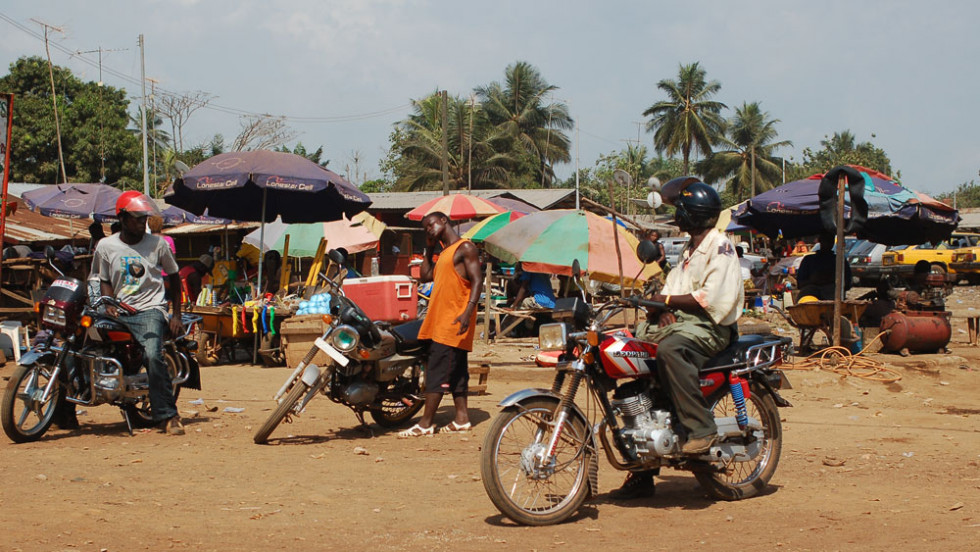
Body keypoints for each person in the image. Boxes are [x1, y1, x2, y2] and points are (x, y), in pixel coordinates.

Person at [610, 177, 744, 500]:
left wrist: (666, 304)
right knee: (629, 352)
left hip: (712, 328)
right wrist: (657, 309)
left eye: (680, 210)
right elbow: (671, 291)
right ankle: (642, 471)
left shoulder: (719, 246)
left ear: (693, 214)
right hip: (686, 324)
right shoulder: (688, 250)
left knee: (669, 350)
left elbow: (708, 299)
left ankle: (701, 428)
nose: (676, 215)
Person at [89, 191, 185, 435]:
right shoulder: (106, 246)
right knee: (79, 343)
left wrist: (176, 315)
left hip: (149, 309)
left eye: (143, 218)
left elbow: (175, 280)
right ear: (121, 218)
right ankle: (64, 412)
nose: (141, 223)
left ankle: (168, 415)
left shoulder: (158, 245)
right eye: (135, 218)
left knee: (153, 355)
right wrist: (109, 303)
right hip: (117, 311)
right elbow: (104, 279)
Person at [398, 211, 483, 437]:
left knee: (437, 371)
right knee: (456, 371)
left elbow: (478, 281)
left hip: (454, 321)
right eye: (425, 228)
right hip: (442, 320)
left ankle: (426, 423)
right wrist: (429, 248)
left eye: (431, 225)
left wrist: (468, 312)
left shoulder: (465, 248)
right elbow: (425, 275)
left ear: (444, 221)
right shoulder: (444, 253)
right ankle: (462, 419)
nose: (429, 229)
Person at [796, 233, 852, 301]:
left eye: (830, 241)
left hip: (832, 297)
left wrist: (831, 281)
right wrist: (814, 281)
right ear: (820, 241)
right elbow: (799, 283)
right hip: (810, 296)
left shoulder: (839, 260)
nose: (828, 243)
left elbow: (847, 284)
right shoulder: (809, 260)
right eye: (826, 240)